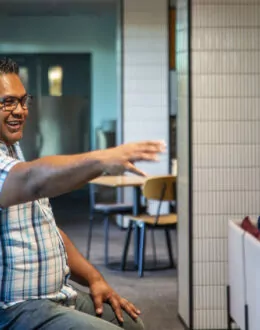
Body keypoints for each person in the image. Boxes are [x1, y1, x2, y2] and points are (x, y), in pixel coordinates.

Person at [0, 58, 165, 330]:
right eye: (7, 102)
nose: (20, 111)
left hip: (56, 296)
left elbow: (47, 228)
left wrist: (94, 277)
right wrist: (102, 159)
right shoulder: (18, 168)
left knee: (133, 324)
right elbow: (32, 180)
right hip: (18, 307)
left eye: (22, 100)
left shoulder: (12, 149)